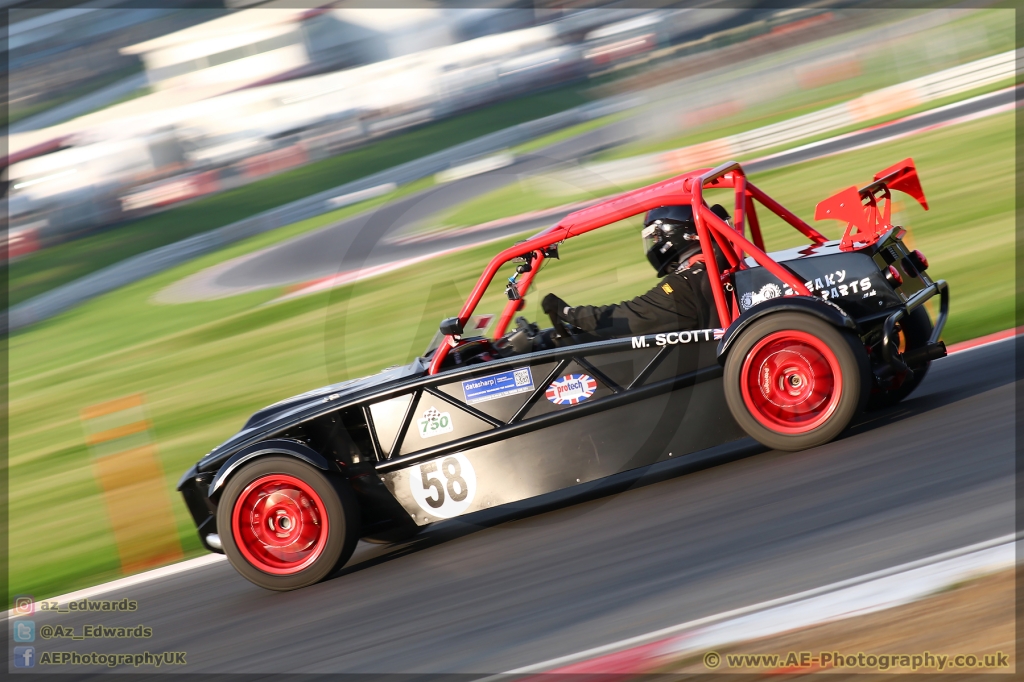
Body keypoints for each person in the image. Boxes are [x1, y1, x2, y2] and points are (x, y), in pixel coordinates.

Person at [541, 204, 730, 338]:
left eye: (656, 238)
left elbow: (627, 319)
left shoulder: (682, 285)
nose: (655, 244)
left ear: (674, 234)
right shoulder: (720, 262)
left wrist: (569, 313)